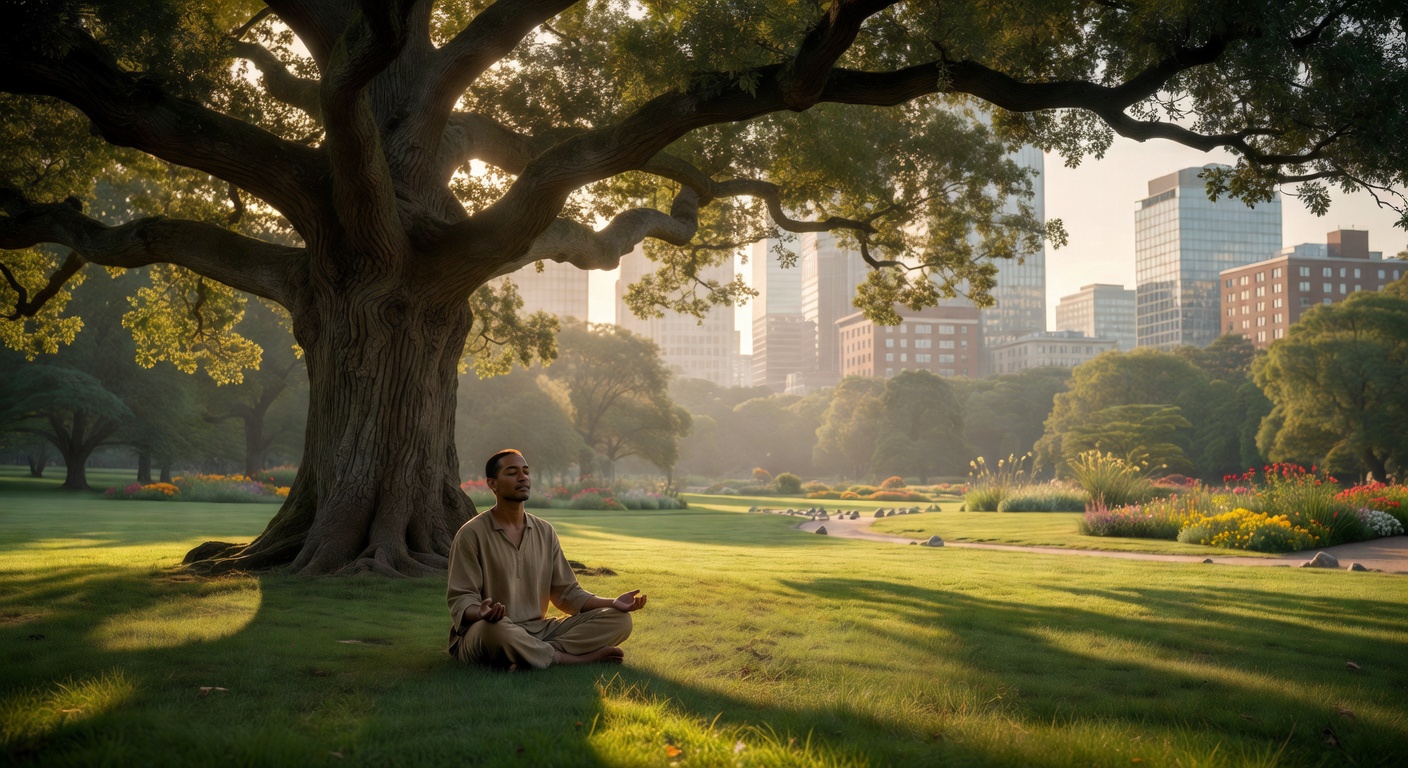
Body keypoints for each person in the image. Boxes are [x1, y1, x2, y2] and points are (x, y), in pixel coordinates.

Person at [446, 449, 647, 670]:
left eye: (525, 472)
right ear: (493, 484)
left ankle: (527, 655)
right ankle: (570, 658)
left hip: (541, 630)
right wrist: (481, 612)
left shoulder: (544, 531)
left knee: (620, 620)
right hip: (491, 629)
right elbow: (462, 598)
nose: (522, 477)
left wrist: (613, 602)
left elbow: (567, 594)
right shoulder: (471, 534)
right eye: (512, 473)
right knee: (495, 631)